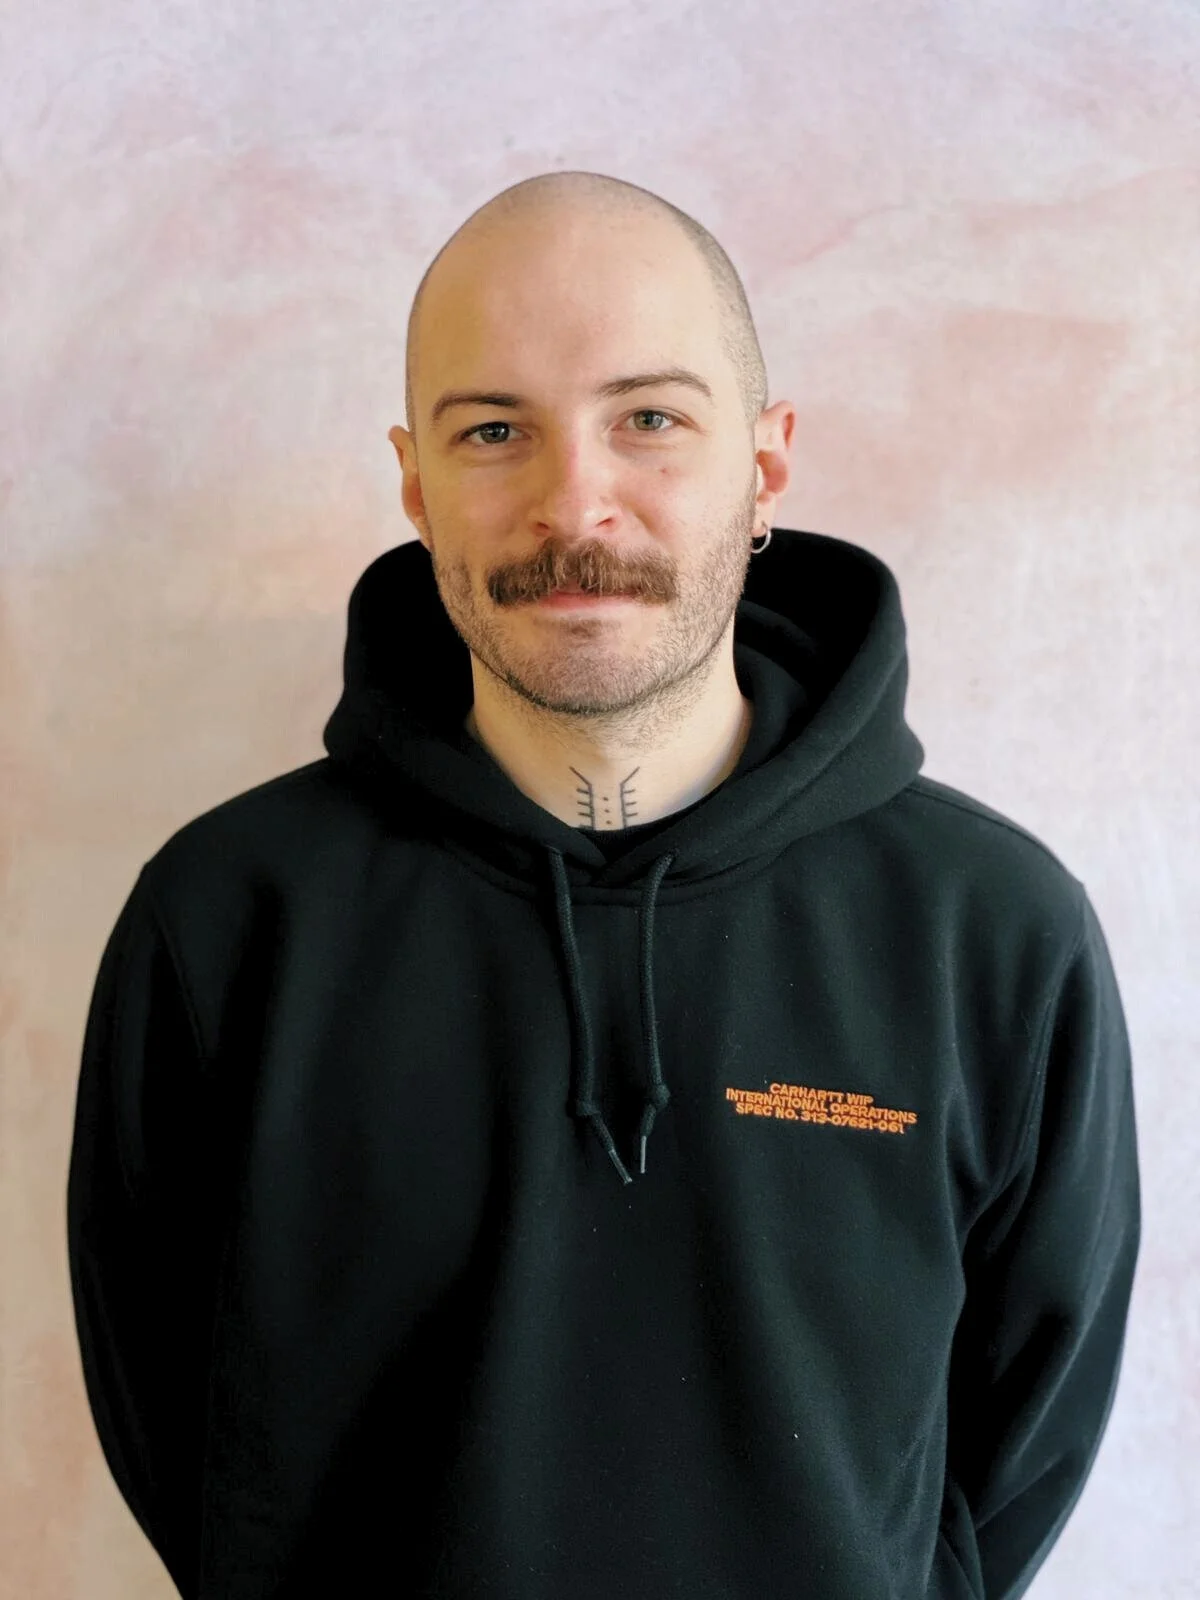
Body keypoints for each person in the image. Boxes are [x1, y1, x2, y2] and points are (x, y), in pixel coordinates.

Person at [66, 170, 1141, 1600]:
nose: (577, 501)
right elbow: (174, 1429)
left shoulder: (993, 937)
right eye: (496, 430)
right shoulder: (226, 923)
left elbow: (1017, 1449)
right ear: (414, 480)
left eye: (650, 419)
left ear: (764, 466)